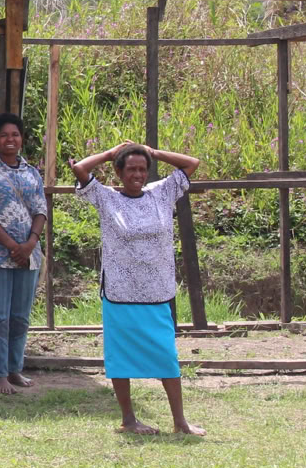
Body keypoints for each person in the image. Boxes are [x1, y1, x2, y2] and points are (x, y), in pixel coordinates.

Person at [70, 140, 205, 436]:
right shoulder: (106, 198)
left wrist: (152, 152)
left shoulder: (162, 192)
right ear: (118, 172)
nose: (138, 175)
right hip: (120, 294)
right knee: (120, 358)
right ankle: (129, 420)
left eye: (143, 169)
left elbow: (191, 163)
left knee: (166, 356)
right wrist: (110, 153)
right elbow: (80, 169)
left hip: (156, 293)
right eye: (131, 169)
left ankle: (180, 423)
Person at [0, 113, 48, 396]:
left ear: (22, 139)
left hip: (29, 256)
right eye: (4, 135)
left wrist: (30, 243)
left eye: (15, 134)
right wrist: (11, 246)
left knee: (20, 316)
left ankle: (14, 368)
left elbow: (41, 211)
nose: (10, 139)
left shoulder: (32, 174)